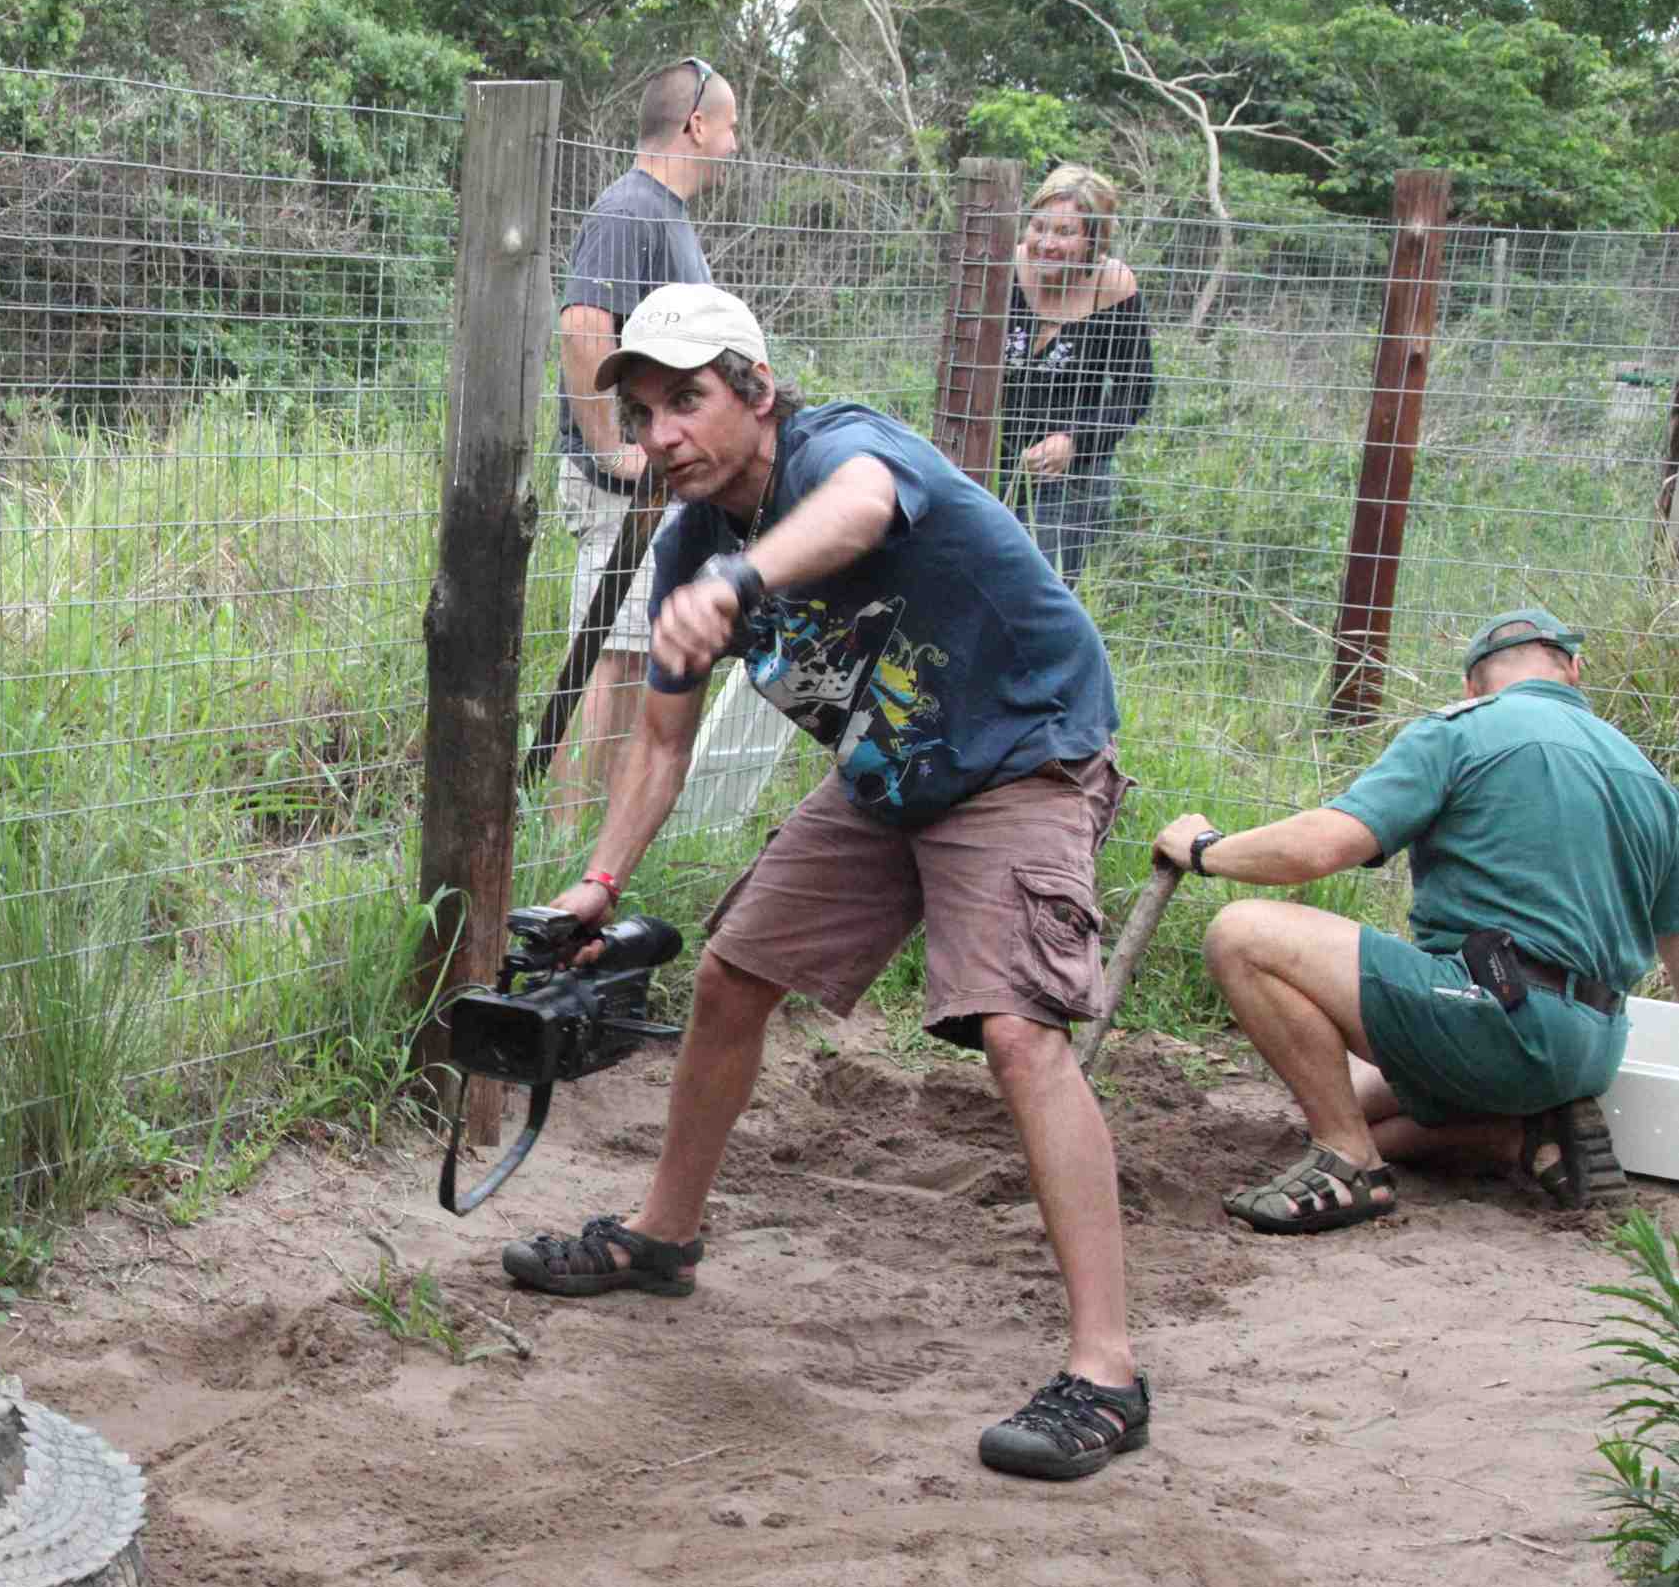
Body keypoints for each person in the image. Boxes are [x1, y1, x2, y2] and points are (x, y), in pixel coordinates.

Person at [496, 283, 1146, 1485]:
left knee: (1018, 1029)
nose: (663, 437)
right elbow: (659, 744)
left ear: (754, 387)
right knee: (735, 975)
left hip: (1022, 755)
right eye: (641, 416)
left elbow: (856, 512)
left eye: (686, 401)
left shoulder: (845, 450)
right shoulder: (693, 540)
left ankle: (1106, 1369)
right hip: (892, 773)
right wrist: (598, 881)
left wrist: (742, 590)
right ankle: (662, 1238)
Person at [1155, 607, 1678, 1231]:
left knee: (1242, 934)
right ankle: (1520, 1134)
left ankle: (1348, 1163)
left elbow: (1322, 848)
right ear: (1574, 670)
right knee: (1349, 1091)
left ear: (1471, 685)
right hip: (1593, 1045)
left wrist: (1206, 850)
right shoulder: (1649, 780)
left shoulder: (1461, 731)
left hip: (1498, 1021)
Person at [544, 56, 744, 817]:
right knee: (615, 661)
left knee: (630, 656)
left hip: (654, 484)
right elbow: (582, 326)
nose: (733, 142)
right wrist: (610, 450)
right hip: (617, 488)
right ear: (695, 124)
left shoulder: (667, 215)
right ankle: (559, 836)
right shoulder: (630, 209)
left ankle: (578, 824)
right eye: (728, 126)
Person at [997, 165, 1152, 583]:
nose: (1046, 243)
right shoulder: (1002, 270)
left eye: (1064, 232)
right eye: (1038, 227)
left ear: (1093, 241)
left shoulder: (1113, 286)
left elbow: (1135, 390)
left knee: (1042, 594)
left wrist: (1074, 441)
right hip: (989, 461)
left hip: (1069, 476)